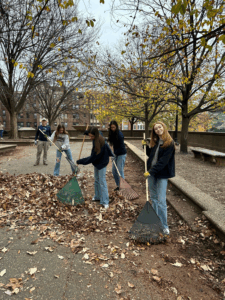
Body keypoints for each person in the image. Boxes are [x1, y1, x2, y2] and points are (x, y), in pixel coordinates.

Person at [142, 121, 175, 235]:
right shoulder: (156, 142)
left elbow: (163, 162)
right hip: (152, 173)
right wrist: (145, 146)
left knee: (161, 200)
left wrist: (150, 171)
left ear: (164, 127)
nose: (158, 129)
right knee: (154, 198)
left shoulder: (170, 143)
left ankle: (164, 225)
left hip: (162, 174)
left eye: (159, 127)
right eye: (156, 129)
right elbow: (152, 156)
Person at [76, 126, 114, 209]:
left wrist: (80, 161)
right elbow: (94, 132)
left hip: (102, 163)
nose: (90, 138)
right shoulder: (98, 135)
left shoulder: (99, 143)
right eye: (89, 135)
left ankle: (105, 201)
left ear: (96, 136)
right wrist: (86, 132)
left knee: (102, 181)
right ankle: (97, 196)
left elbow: (92, 158)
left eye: (91, 136)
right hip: (97, 163)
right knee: (96, 180)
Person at [108, 120, 127, 191]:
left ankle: (123, 188)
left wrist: (113, 155)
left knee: (120, 170)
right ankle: (119, 185)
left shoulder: (120, 135)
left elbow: (120, 147)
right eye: (111, 127)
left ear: (116, 127)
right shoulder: (111, 133)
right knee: (114, 171)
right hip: (116, 154)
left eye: (114, 127)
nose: (112, 129)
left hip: (121, 154)